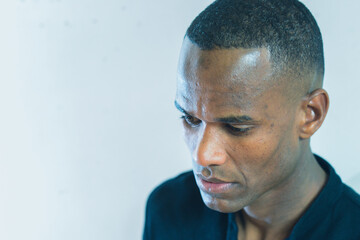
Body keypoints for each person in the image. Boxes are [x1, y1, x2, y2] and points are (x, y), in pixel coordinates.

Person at [143, 0, 360, 239]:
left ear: (311, 115)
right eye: (191, 119)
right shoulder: (168, 210)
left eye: (236, 127)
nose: (202, 155)